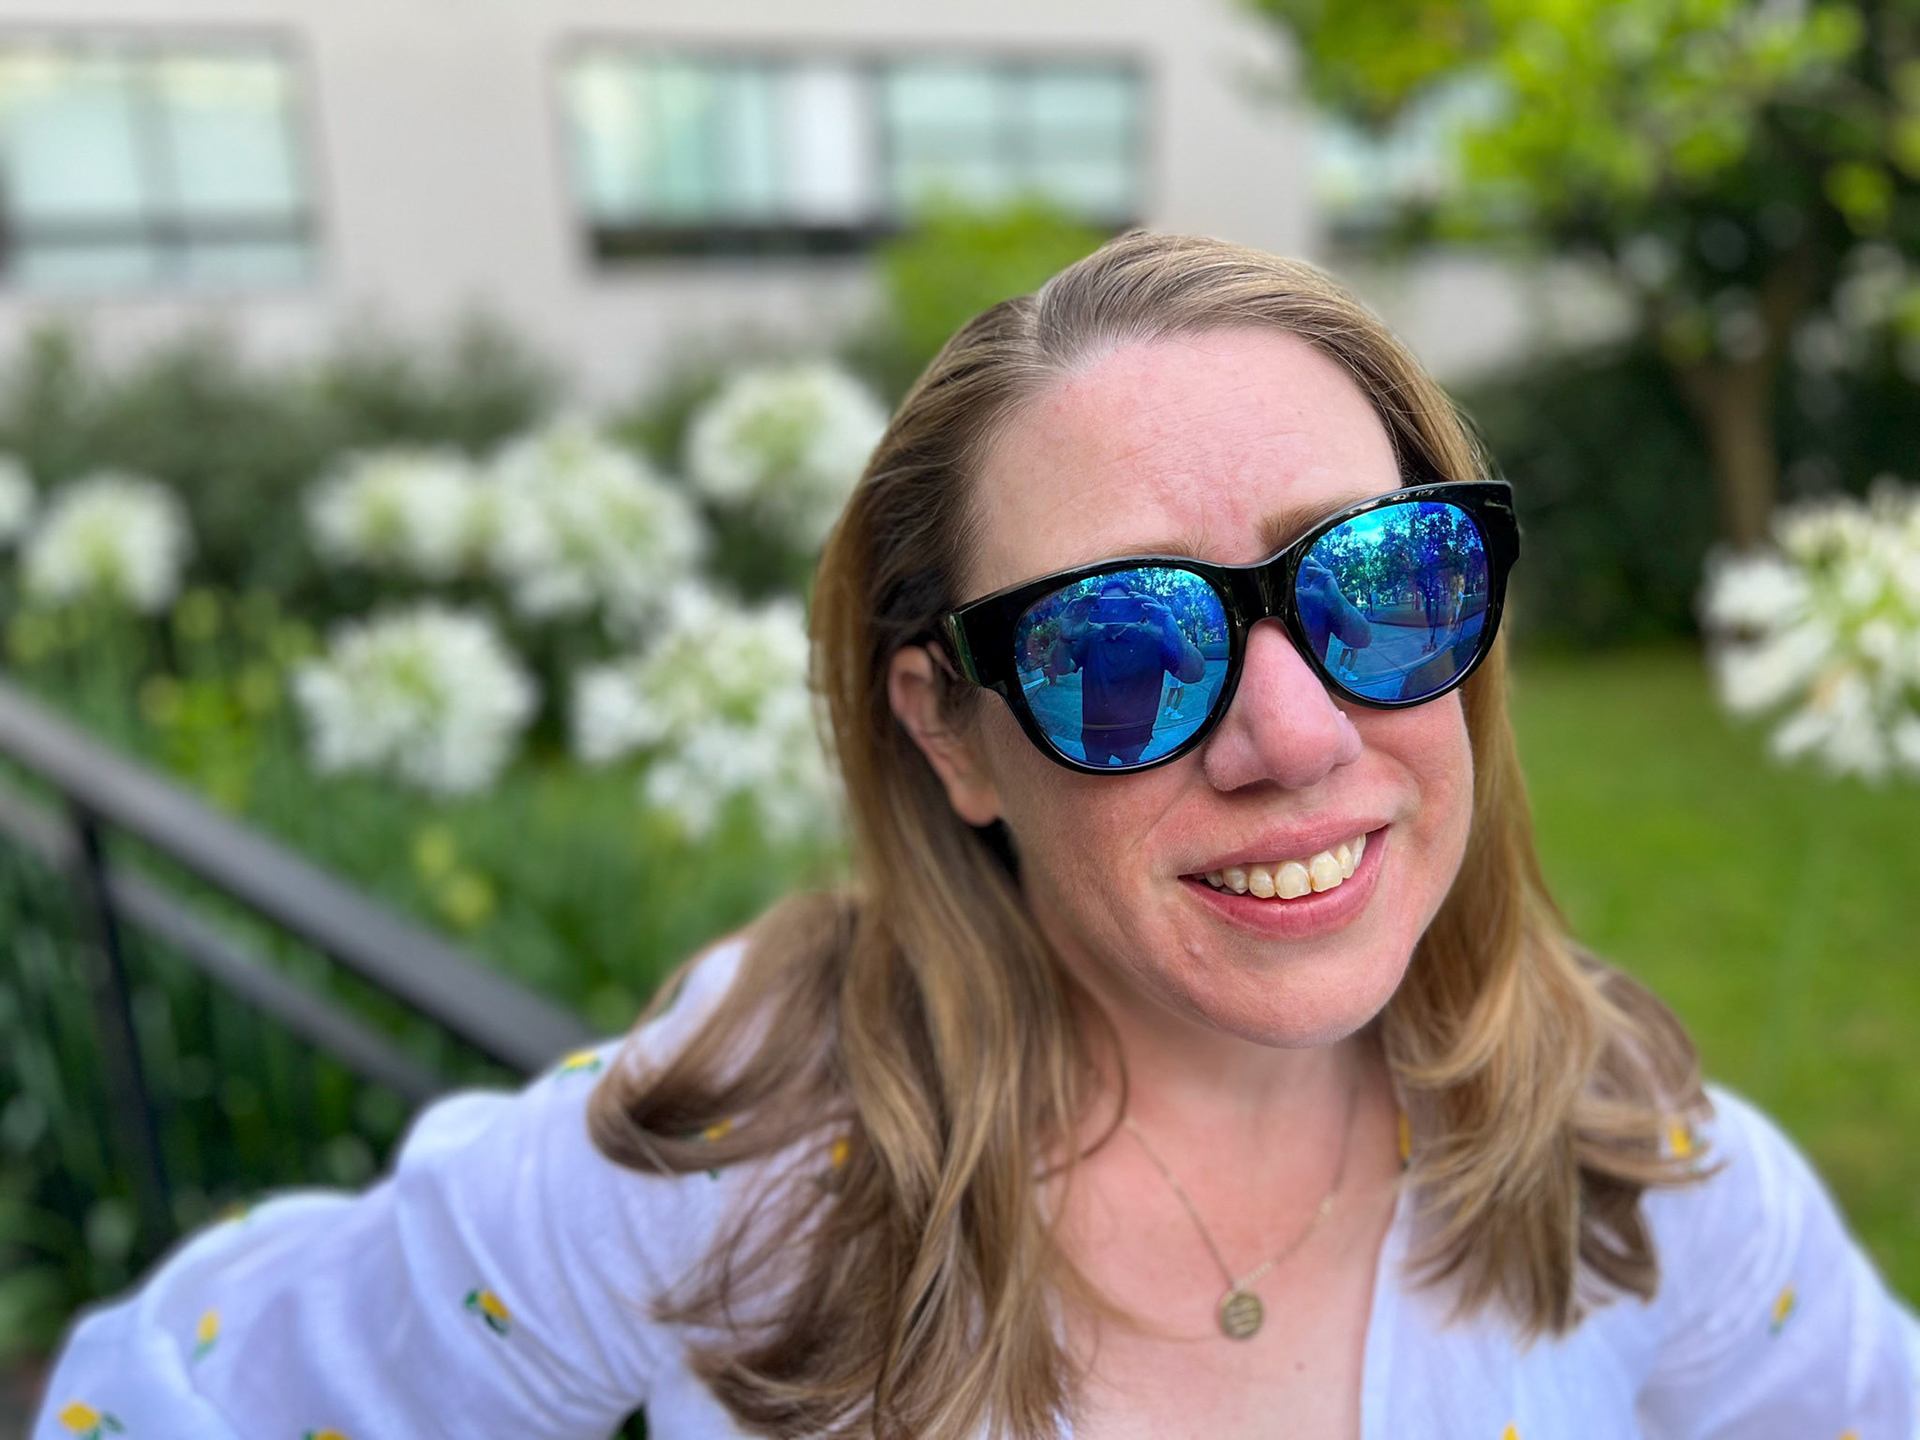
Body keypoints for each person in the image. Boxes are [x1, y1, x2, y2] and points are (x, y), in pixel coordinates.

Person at [34, 234, 1919, 1440]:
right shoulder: (750, 1162)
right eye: (1123, 649)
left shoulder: (1642, 1179)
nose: (1295, 734)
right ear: (953, 736)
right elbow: (155, 1401)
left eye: (1381, 583)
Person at [1046, 578, 1206, 765]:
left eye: (1120, 604)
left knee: (1131, 775)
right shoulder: (1090, 638)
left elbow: (1194, 674)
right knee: (1095, 778)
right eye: (1108, 604)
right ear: (1098, 606)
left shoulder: (1153, 639)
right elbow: (1061, 668)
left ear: (1132, 605)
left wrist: (1173, 633)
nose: (1114, 610)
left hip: (1135, 736)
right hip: (1095, 734)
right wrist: (1064, 637)